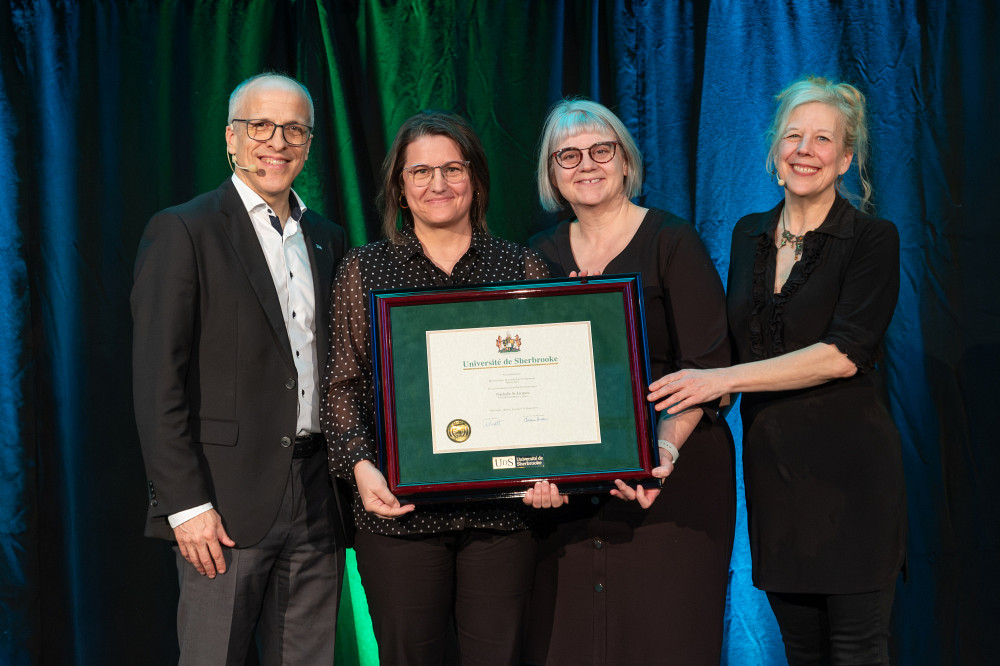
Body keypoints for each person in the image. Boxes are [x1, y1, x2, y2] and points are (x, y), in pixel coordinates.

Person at [649, 76, 907, 664]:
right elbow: (728, 345)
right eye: (793, 136)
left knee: (857, 651)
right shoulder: (748, 234)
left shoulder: (872, 238)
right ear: (773, 150)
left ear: (846, 159)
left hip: (853, 480)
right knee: (800, 651)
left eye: (823, 139)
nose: (804, 150)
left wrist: (721, 380)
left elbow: (843, 354)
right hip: (776, 480)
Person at [132, 72, 349, 664]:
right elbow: (156, 383)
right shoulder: (185, 229)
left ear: (309, 144)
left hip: (318, 495)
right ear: (231, 138)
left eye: (294, 129)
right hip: (222, 503)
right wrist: (184, 505)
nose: (277, 141)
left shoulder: (327, 238)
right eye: (261, 126)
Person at [321, 111, 549, 665]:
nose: (438, 183)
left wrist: (555, 467)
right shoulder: (364, 269)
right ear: (400, 187)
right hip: (399, 512)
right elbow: (342, 386)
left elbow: (547, 387)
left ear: (475, 178)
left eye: (452, 168)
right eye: (420, 172)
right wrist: (361, 468)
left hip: (502, 512)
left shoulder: (521, 267)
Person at [523, 99, 736, 665]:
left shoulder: (672, 240)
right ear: (551, 173)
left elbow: (709, 371)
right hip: (571, 494)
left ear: (625, 161)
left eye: (601, 150)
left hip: (671, 477)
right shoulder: (538, 256)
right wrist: (531, 466)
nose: (586, 164)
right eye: (568, 155)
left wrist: (660, 451)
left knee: (664, 640)